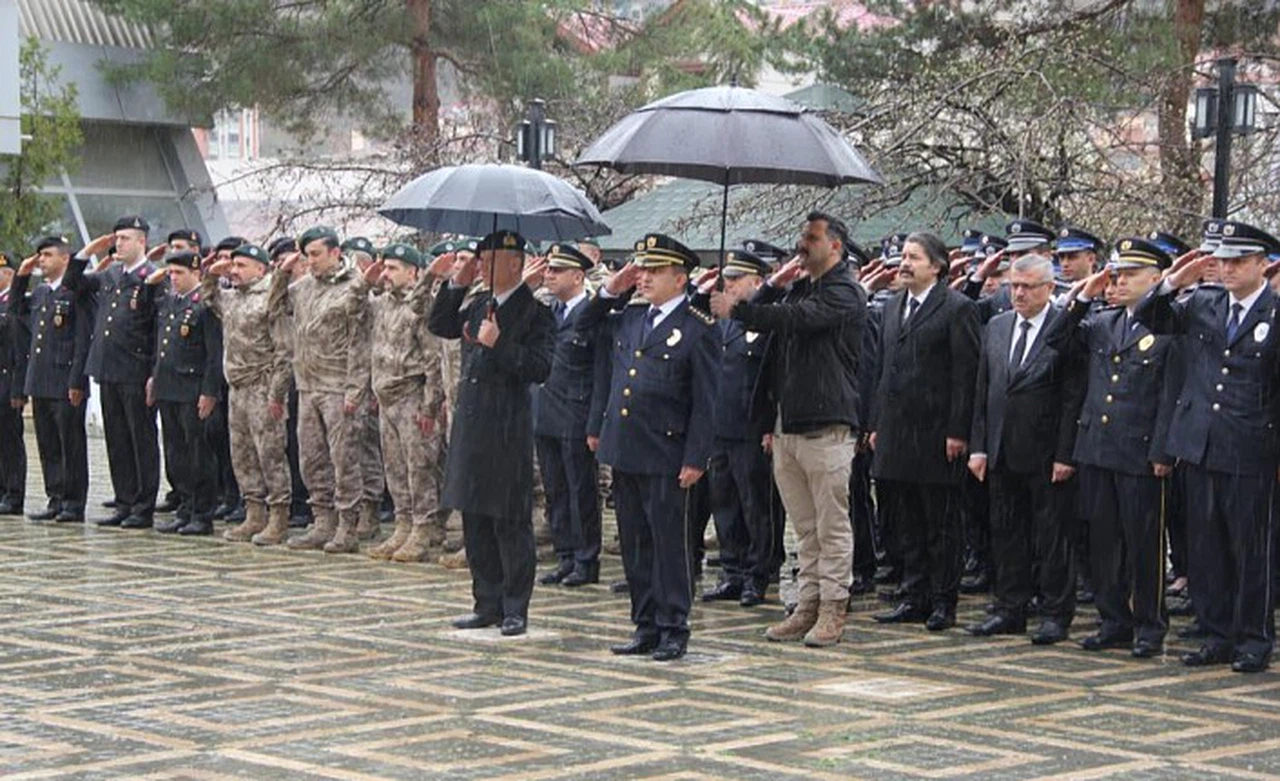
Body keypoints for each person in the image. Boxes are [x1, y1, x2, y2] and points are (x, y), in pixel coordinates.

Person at [711, 211, 867, 648]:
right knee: (804, 528)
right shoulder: (801, 287)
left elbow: (796, 320)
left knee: (831, 526)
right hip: (789, 425)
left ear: (835, 246)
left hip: (827, 425)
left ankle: (834, 607)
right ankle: (807, 604)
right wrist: (770, 286)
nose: (802, 244)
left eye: (811, 238)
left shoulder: (845, 292)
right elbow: (779, 336)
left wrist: (739, 310)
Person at [1134, 220, 1280, 674]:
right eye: (1223, 260)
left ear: (1264, 264)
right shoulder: (1203, 303)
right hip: (1199, 444)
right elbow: (1149, 317)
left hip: (1251, 446)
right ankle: (1216, 633)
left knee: (1250, 547)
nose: (1228, 269)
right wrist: (1174, 280)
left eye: (1239, 261)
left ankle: (1254, 638)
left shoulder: (1274, 313)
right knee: (1206, 547)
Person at [582, 233, 717, 661]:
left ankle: (674, 624)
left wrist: (697, 456)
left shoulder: (698, 328)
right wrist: (610, 290)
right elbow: (583, 328)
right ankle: (644, 623)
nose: (643, 278)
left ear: (680, 279)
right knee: (635, 542)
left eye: (654, 272)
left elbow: (707, 399)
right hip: (627, 448)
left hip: (667, 451)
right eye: (641, 270)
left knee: (667, 543)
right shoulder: (630, 318)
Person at [428, 230, 554, 638]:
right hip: (472, 424)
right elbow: (441, 325)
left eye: (489, 259)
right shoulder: (479, 304)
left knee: (509, 522)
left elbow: (539, 367)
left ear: (515, 263)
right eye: (479, 259)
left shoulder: (536, 313)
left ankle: (515, 606)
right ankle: (487, 601)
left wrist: (499, 344)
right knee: (475, 518)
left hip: (507, 428)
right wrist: (457, 282)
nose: (481, 265)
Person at [1062, 237, 1177, 658]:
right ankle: (1114, 620)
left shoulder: (1167, 326)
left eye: (1131, 274)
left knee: (1144, 543)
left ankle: (1149, 624)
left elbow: (1170, 393)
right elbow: (1058, 341)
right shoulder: (1104, 322)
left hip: (1140, 451)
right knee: (1103, 541)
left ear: (1157, 278)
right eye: (1118, 273)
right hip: (1098, 446)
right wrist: (1080, 300)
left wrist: (1163, 451)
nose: (1120, 280)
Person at [967, 252, 1083, 645]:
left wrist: (1066, 454)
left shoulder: (1063, 328)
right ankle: (1009, 608)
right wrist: (979, 447)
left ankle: (1054, 613)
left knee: (1051, 537)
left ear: (1049, 289)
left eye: (1027, 287)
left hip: (1046, 452)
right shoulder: (997, 327)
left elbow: (1072, 397)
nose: (1018, 294)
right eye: (1013, 286)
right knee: (1007, 534)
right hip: (1001, 449)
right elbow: (984, 390)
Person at [868, 232, 979, 631]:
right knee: (906, 521)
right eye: (903, 256)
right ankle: (913, 595)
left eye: (914, 257)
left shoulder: (957, 308)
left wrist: (958, 430)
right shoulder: (893, 306)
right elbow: (883, 368)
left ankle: (943, 601)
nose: (905, 263)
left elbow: (966, 375)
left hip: (936, 434)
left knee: (941, 523)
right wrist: (876, 422)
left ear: (937, 265)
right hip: (897, 432)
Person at [272, 227, 372, 553]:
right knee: (311, 459)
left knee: (344, 460)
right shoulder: (304, 288)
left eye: (316, 254)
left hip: (339, 386)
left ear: (335, 251)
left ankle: (347, 526)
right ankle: (322, 521)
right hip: (308, 385)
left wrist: (356, 389)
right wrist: (281, 273)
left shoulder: (355, 287)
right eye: (307, 255)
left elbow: (361, 342)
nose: (310, 261)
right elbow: (274, 307)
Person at [698, 249, 784, 607]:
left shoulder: (768, 320)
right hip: (720, 426)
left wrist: (770, 426)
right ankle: (732, 571)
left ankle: (758, 574)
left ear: (758, 282)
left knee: (756, 506)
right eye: (727, 278)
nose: (729, 284)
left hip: (752, 427)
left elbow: (775, 380)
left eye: (737, 279)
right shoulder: (722, 321)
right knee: (725, 504)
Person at [70, 216, 162, 529]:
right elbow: (75, 284)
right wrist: (86, 253)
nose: (119, 243)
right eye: (117, 238)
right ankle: (124, 501)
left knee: (141, 439)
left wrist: (154, 373)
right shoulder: (110, 274)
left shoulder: (152, 277)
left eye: (125, 238)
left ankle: (143, 505)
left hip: (136, 370)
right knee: (117, 440)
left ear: (141, 242)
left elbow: (157, 330)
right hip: (108, 369)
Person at [362, 243, 449, 563]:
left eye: (393, 268)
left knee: (420, 468)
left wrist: (429, 406)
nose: (385, 274)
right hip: (387, 398)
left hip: (412, 395)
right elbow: (355, 309)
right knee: (395, 469)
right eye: (385, 268)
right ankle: (403, 524)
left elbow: (432, 360)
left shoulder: (421, 307)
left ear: (414, 272)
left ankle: (424, 528)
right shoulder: (381, 304)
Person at [208, 243, 294, 546]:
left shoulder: (270, 297)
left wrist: (277, 393)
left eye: (242, 265)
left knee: (270, 453)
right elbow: (210, 298)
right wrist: (210, 274)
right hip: (238, 387)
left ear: (261, 268)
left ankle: (279, 516)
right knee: (242, 454)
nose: (234, 271)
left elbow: (284, 351)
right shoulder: (233, 298)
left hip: (262, 384)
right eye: (233, 266)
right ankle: (253, 512)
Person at [533, 243, 604, 588]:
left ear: (578, 275)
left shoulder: (592, 313)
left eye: (556, 270)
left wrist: (595, 422)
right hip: (545, 411)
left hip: (576, 414)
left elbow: (598, 371)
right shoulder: (547, 311)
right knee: (556, 489)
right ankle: (565, 555)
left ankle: (586, 559)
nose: (548, 275)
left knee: (581, 491)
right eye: (548, 269)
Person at [14, 237, 93, 524]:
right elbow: (15, 311)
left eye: (47, 255)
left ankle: (73, 502)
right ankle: (55, 497)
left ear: (64, 259)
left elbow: (82, 340)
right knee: (48, 444)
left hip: (65, 381)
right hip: (41, 379)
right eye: (39, 256)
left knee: (70, 443)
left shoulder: (75, 293)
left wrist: (77, 382)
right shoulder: (41, 293)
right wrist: (22, 275)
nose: (41, 261)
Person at [145, 251, 224, 536]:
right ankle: (185, 508)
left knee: (198, 454)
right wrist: (154, 378)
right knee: (176, 452)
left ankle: (202, 514)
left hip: (193, 390)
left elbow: (214, 355)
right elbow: (161, 346)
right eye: (171, 274)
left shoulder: (205, 305)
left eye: (179, 273)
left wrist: (209, 391)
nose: (173, 278)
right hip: (169, 387)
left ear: (196, 273)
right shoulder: (168, 303)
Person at [0, 251, 29, 516]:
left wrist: (19, 387)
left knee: (10, 440)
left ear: (9, 274)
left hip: (8, 381)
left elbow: (20, 348)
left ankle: (13, 493)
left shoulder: (16, 303)